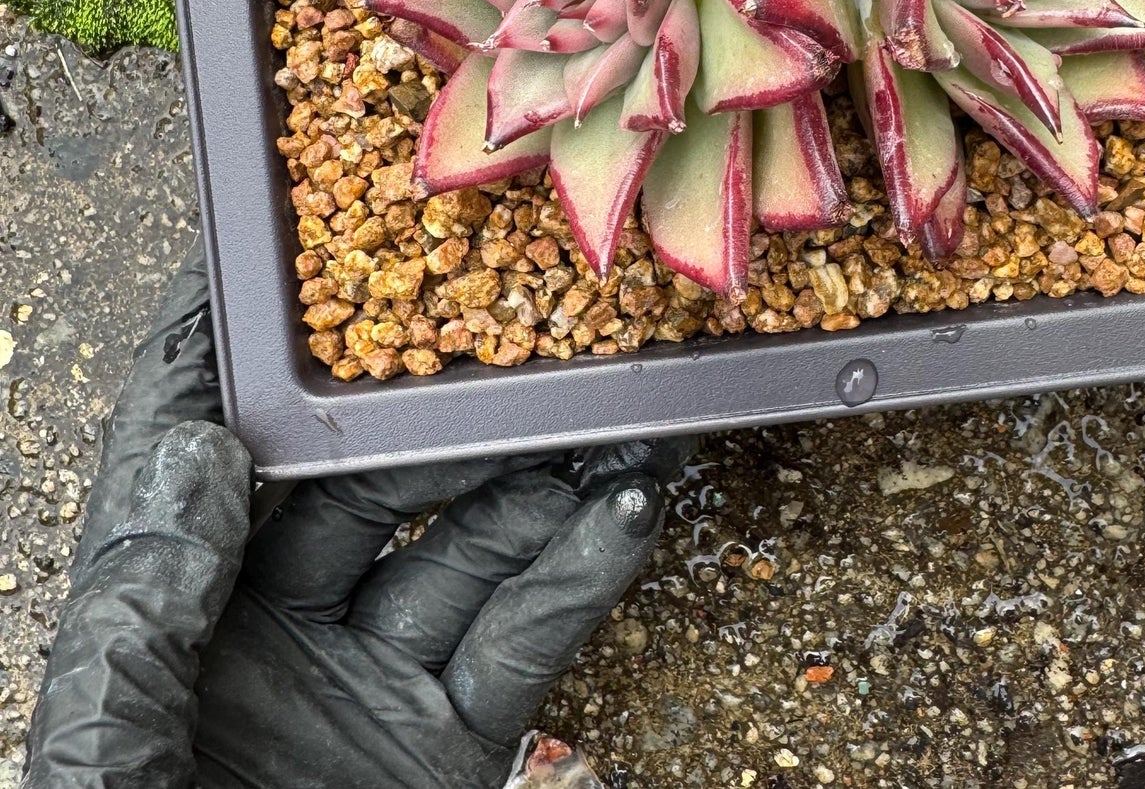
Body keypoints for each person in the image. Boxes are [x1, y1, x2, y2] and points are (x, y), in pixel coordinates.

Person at [23, 242, 692, 787]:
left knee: (173, 516)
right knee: (589, 497)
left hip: (244, 627)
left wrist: (127, 568)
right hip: (410, 740)